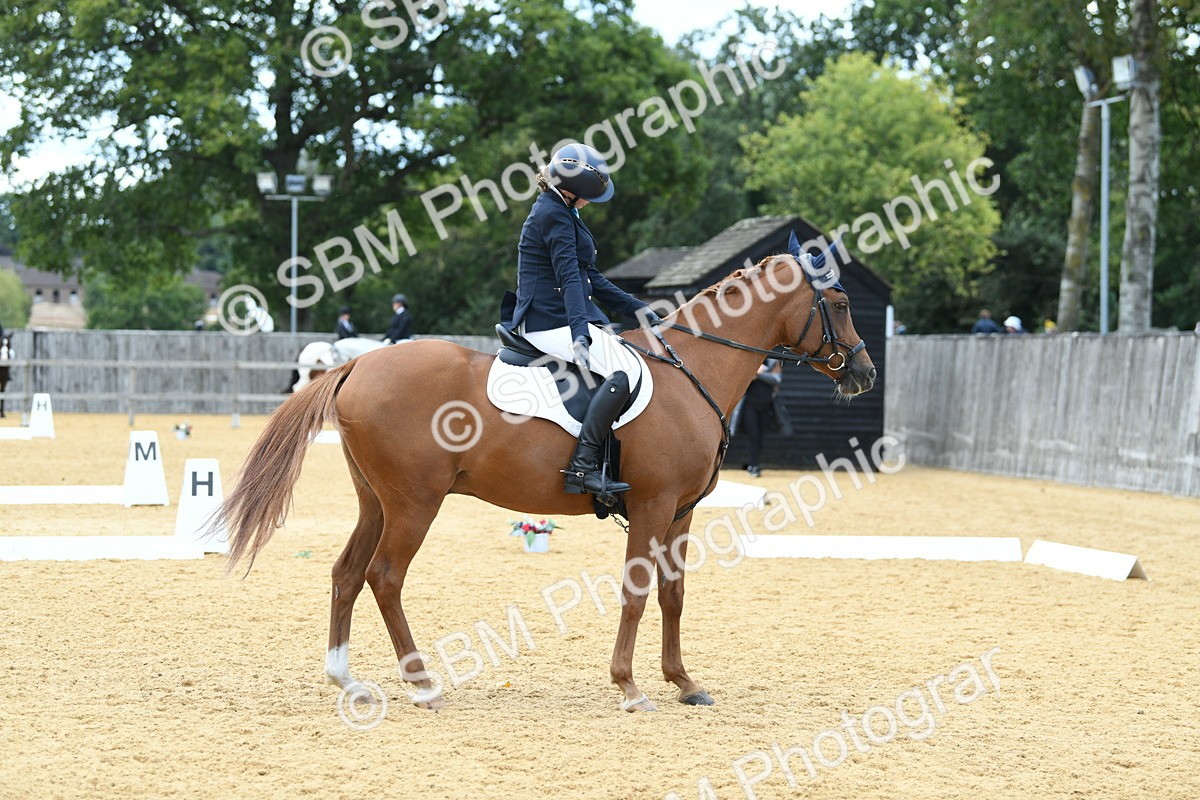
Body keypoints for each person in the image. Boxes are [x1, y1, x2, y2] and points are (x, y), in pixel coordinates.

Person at [501, 142, 661, 499]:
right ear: (574, 192)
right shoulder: (552, 214)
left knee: (625, 364)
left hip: (560, 316)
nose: (591, 203)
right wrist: (580, 335)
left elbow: (591, 277)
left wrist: (638, 308)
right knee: (623, 373)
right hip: (547, 320)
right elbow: (569, 280)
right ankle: (582, 467)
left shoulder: (563, 210)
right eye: (589, 197)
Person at [734, 359, 784, 478]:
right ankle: (754, 465)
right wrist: (754, 372)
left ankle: (755, 463)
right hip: (750, 407)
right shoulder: (749, 362)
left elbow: (777, 379)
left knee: (760, 435)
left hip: (766, 407)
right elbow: (741, 379)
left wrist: (759, 374)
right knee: (753, 435)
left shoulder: (773, 362)